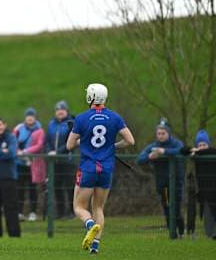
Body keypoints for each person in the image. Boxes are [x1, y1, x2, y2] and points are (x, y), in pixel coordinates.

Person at [67, 83, 135, 254]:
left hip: (88, 167)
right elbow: (130, 141)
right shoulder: (115, 117)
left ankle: (89, 224)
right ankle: (95, 245)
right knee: (98, 207)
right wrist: (113, 146)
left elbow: (69, 145)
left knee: (79, 207)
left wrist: (83, 142)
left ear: (90, 97)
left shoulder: (81, 118)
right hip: (106, 168)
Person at [137, 119, 185, 238]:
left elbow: (182, 151)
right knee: (167, 206)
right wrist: (150, 157)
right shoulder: (153, 146)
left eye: (163, 133)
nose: (161, 136)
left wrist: (164, 151)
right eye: (159, 133)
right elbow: (139, 159)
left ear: (168, 133)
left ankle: (181, 231)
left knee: (176, 206)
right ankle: (171, 232)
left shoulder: (176, 143)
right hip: (162, 183)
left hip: (176, 181)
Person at [181, 129, 216, 239]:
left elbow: (211, 151)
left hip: (213, 188)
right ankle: (210, 234)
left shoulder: (210, 152)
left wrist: (197, 151)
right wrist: (193, 150)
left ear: (208, 144)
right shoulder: (196, 153)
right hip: (203, 191)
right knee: (207, 213)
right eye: (199, 144)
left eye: (204, 144)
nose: (202, 147)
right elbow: (182, 150)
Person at [14, 108, 46, 222]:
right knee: (20, 189)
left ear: (35, 117)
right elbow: (13, 141)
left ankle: (33, 212)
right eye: (28, 116)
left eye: (32, 116)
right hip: (19, 163)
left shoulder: (39, 130)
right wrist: (18, 152)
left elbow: (39, 145)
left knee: (33, 189)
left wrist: (25, 152)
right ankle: (20, 212)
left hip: (33, 164)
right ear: (25, 117)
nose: (30, 118)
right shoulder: (19, 128)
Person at [45, 100, 75, 219]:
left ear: (66, 111)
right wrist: (49, 150)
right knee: (57, 187)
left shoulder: (71, 123)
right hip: (54, 162)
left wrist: (57, 152)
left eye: (62, 109)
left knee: (69, 187)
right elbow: (47, 140)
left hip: (67, 160)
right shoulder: (51, 124)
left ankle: (72, 212)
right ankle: (61, 212)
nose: (60, 112)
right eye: (58, 110)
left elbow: (71, 143)